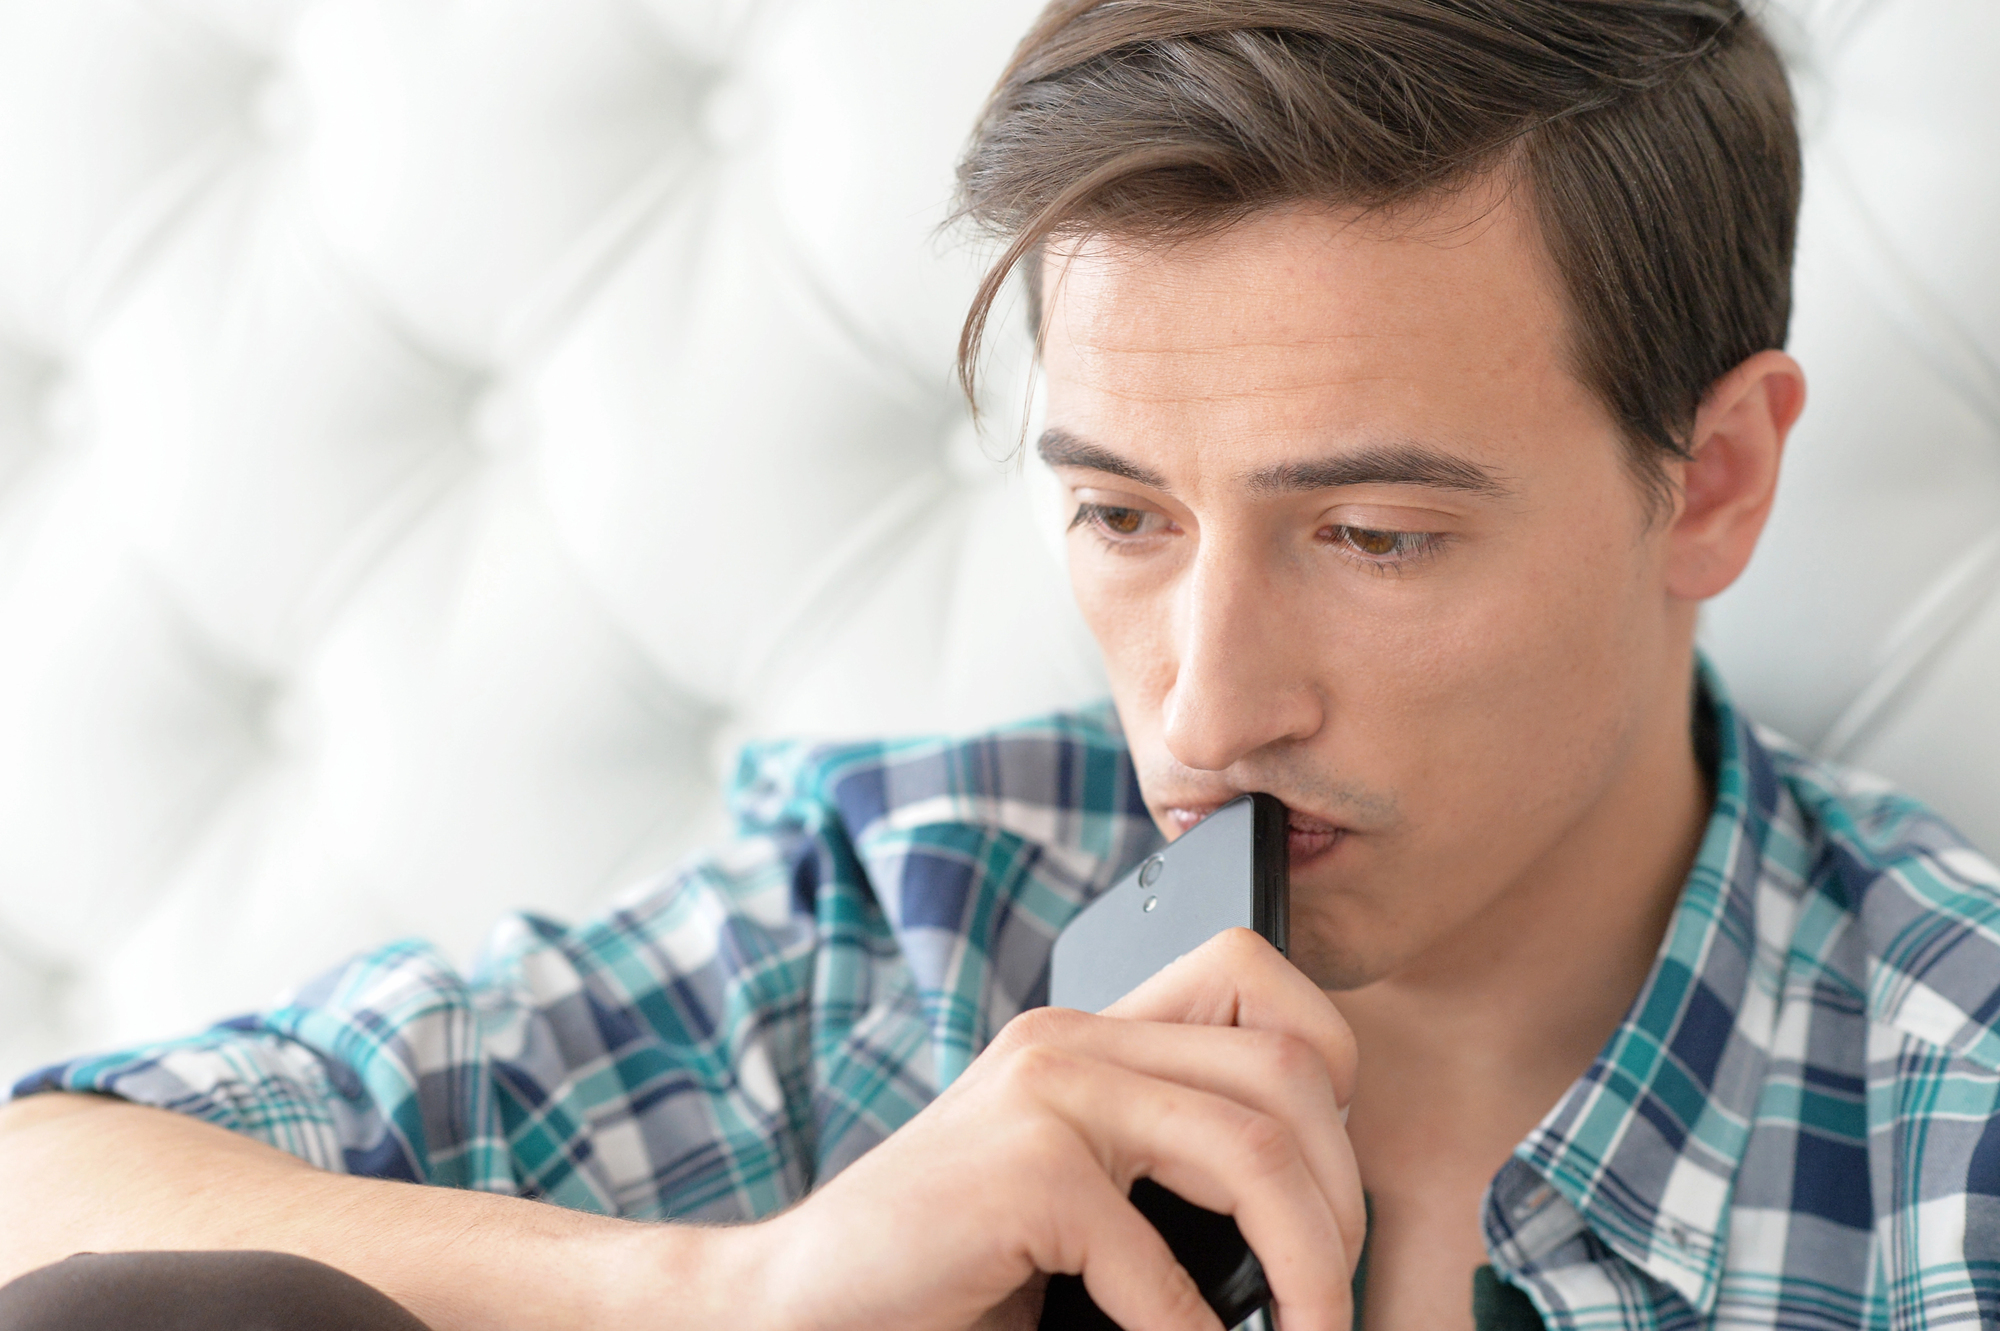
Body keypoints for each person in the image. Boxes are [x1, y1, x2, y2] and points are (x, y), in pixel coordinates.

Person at [3, 0, 1996, 1328]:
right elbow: (44, 1185)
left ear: (1712, 481)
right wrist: (742, 1291)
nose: (1206, 716)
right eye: (1123, 519)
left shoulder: (1951, 1126)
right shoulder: (912, 918)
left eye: (1374, 537)